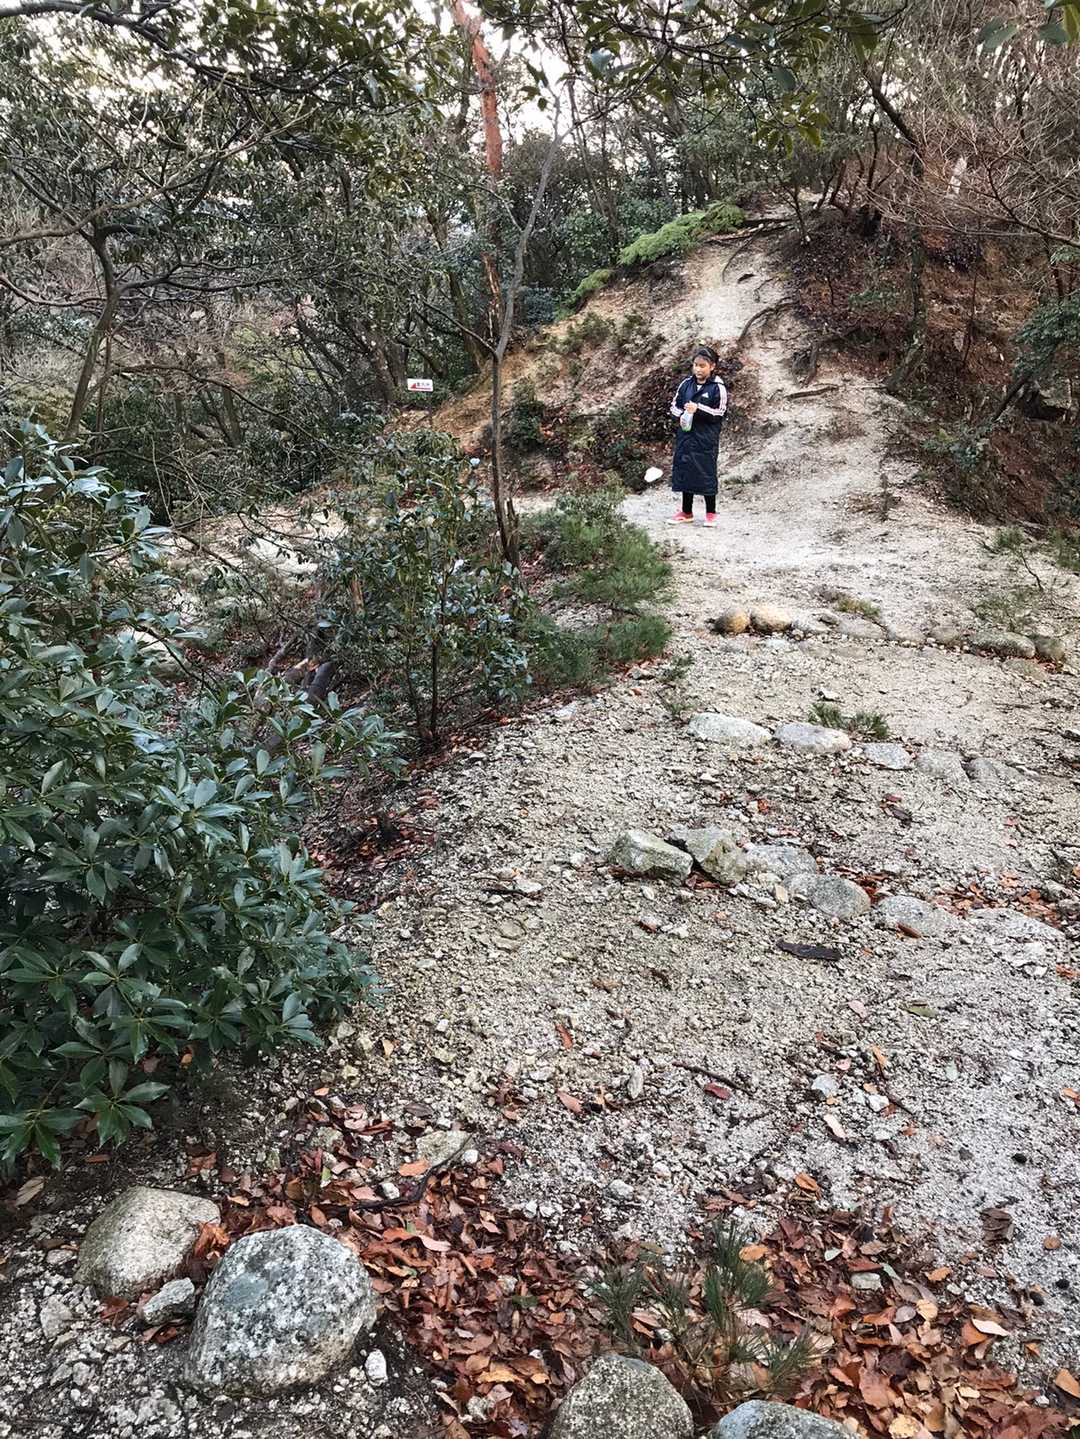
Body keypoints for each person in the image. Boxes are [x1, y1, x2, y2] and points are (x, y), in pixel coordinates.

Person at [668, 346, 727, 526]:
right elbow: (674, 406)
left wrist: (698, 409)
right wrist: (681, 414)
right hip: (686, 436)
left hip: (706, 439)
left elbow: (720, 413)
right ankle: (686, 512)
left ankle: (711, 513)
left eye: (702, 366)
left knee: (706, 473)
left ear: (712, 366)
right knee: (686, 471)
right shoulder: (686, 384)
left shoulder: (718, 387)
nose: (698, 369)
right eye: (695, 365)